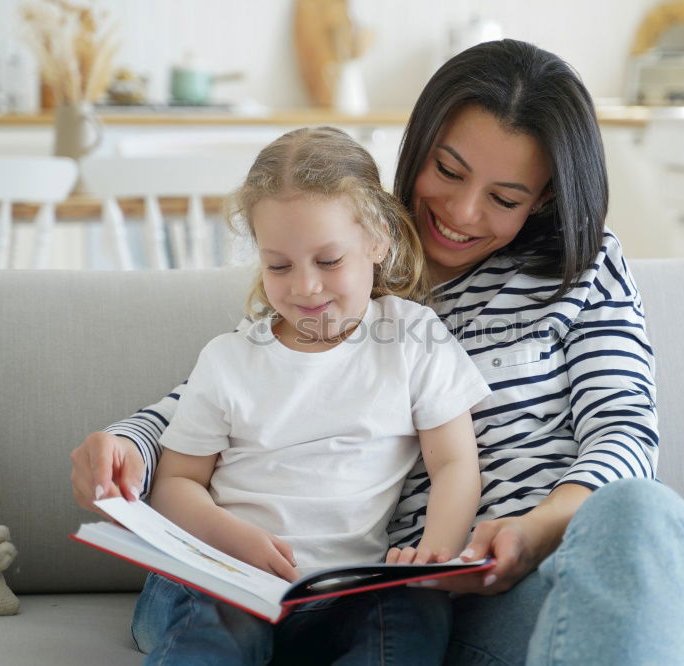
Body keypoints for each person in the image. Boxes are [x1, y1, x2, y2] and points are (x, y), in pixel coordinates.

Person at [72, 40, 684, 665]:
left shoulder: (585, 266)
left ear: (541, 202)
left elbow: (624, 427)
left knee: (634, 511)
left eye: (504, 198)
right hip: (481, 604)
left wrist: (538, 529)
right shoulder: (350, 267)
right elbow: (234, 391)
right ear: (417, 145)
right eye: (446, 170)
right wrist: (129, 443)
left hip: (598, 553)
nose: (461, 211)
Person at [130, 126, 491, 664]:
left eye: (328, 261)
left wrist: (433, 555)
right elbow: (176, 484)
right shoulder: (230, 359)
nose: (304, 287)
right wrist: (235, 540)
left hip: (340, 596)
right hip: (222, 575)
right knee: (217, 622)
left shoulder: (414, 338)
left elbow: (456, 463)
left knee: (413, 612)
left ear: (378, 240)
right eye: (279, 265)